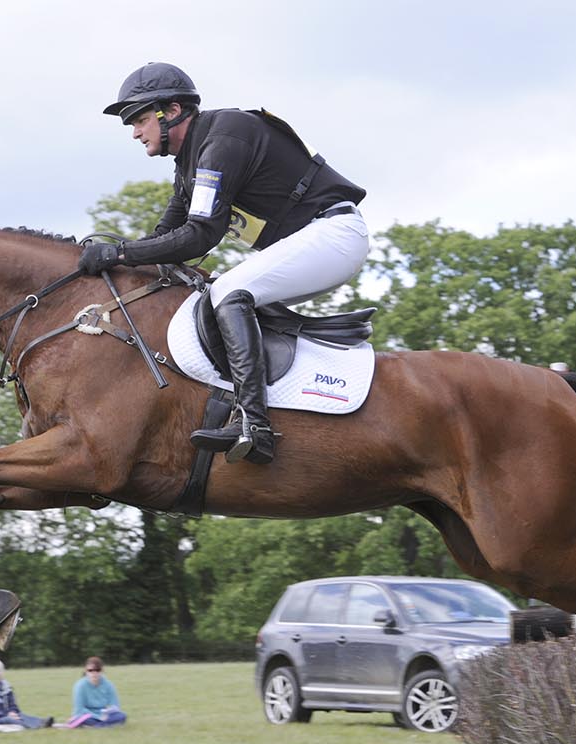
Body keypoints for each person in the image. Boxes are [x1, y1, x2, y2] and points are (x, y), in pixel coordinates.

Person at [78, 62, 370, 465]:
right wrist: (112, 262)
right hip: (313, 241)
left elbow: (199, 235)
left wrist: (120, 253)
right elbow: (165, 237)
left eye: (140, 119)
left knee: (227, 292)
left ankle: (255, 422)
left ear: (174, 111)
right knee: (217, 292)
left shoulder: (224, 138)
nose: (134, 132)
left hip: (334, 235)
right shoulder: (188, 163)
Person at [0, 658, 53, 731]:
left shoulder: (6, 687)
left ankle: (42, 721)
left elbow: (12, 704)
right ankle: (33, 726)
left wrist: (13, 711)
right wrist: (7, 714)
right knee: (10, 719)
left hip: (5, 715)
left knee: (20, 715)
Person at [65, 656, 126, 728]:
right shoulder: (80, 686)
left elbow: (115, 705)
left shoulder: (109, 685)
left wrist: (107, 713)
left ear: (102, 671)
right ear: (86, 671)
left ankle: (95, 726)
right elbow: (79, 709)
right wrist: (98, 717)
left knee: (121, 716)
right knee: (83, 718)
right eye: (90, 670)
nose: (94, 673)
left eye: (97, 670)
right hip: (86, 715)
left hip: (104, 715)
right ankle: (102, 725)